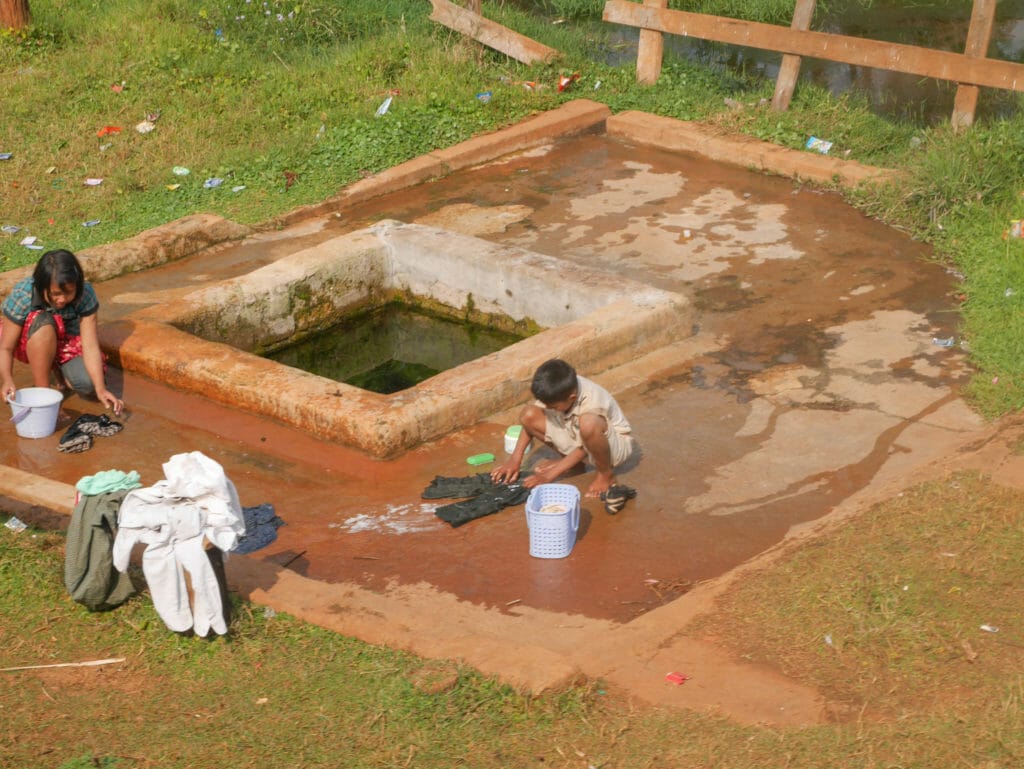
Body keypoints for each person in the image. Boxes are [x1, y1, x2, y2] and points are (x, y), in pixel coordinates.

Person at [0, 249, 123, 415]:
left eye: (69, 292)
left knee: (88, 385)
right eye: (56, 294)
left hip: (65, 342)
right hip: (31, 339)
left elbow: (90, 345)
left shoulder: (85, 294)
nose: (62, 299)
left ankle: (57, 368)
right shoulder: (24, 295)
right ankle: (43, 393)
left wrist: (101, 389)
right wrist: (7, 379)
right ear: (42, 287)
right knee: (44, 324)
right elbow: (5, 347)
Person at [491, 358, 634, 498]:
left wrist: (549, 476)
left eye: (553, 407)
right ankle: (573, 464)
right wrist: (515, 460)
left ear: (572, 398)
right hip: (577, 433)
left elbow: (584, 447)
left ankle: (605, 474)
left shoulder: (592, 402)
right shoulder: (558, 388)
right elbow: (530, 421)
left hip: (612, 447)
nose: (548, 408)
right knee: (528, 414)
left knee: (588, 424)